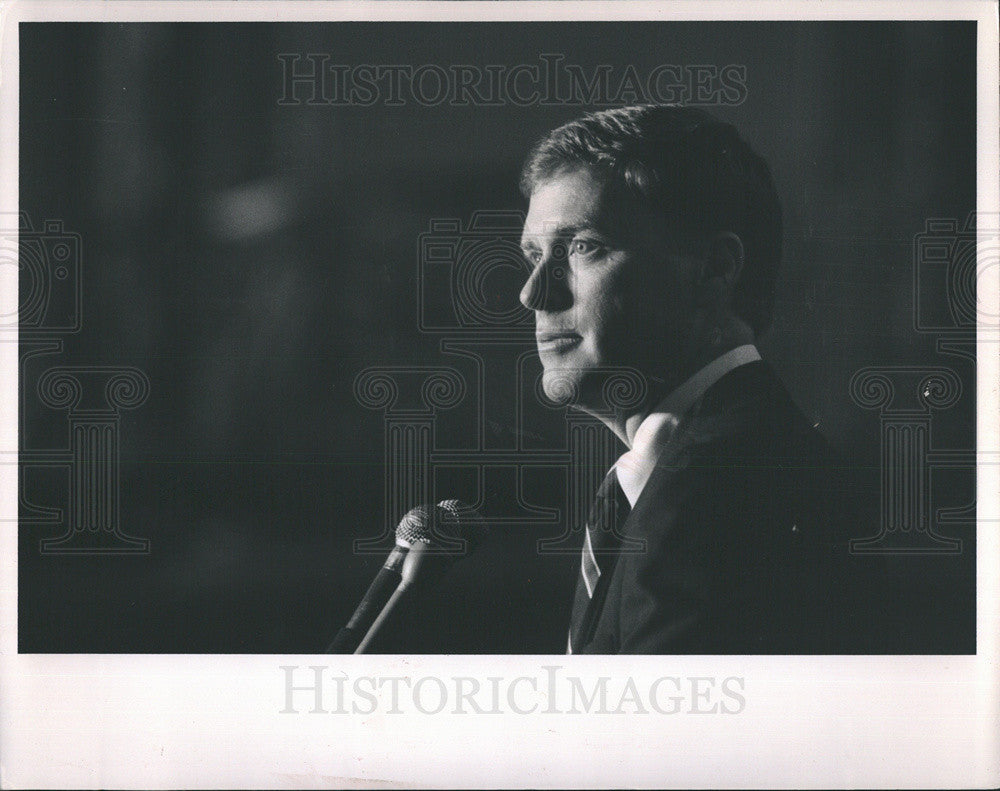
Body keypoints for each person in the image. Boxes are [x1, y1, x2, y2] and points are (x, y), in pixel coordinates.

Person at [518, 104, 887, 654]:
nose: (533, 294)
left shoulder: (722, 493)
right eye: (532, 255)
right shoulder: (714, 466)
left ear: (716, 268)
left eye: (582, 247)